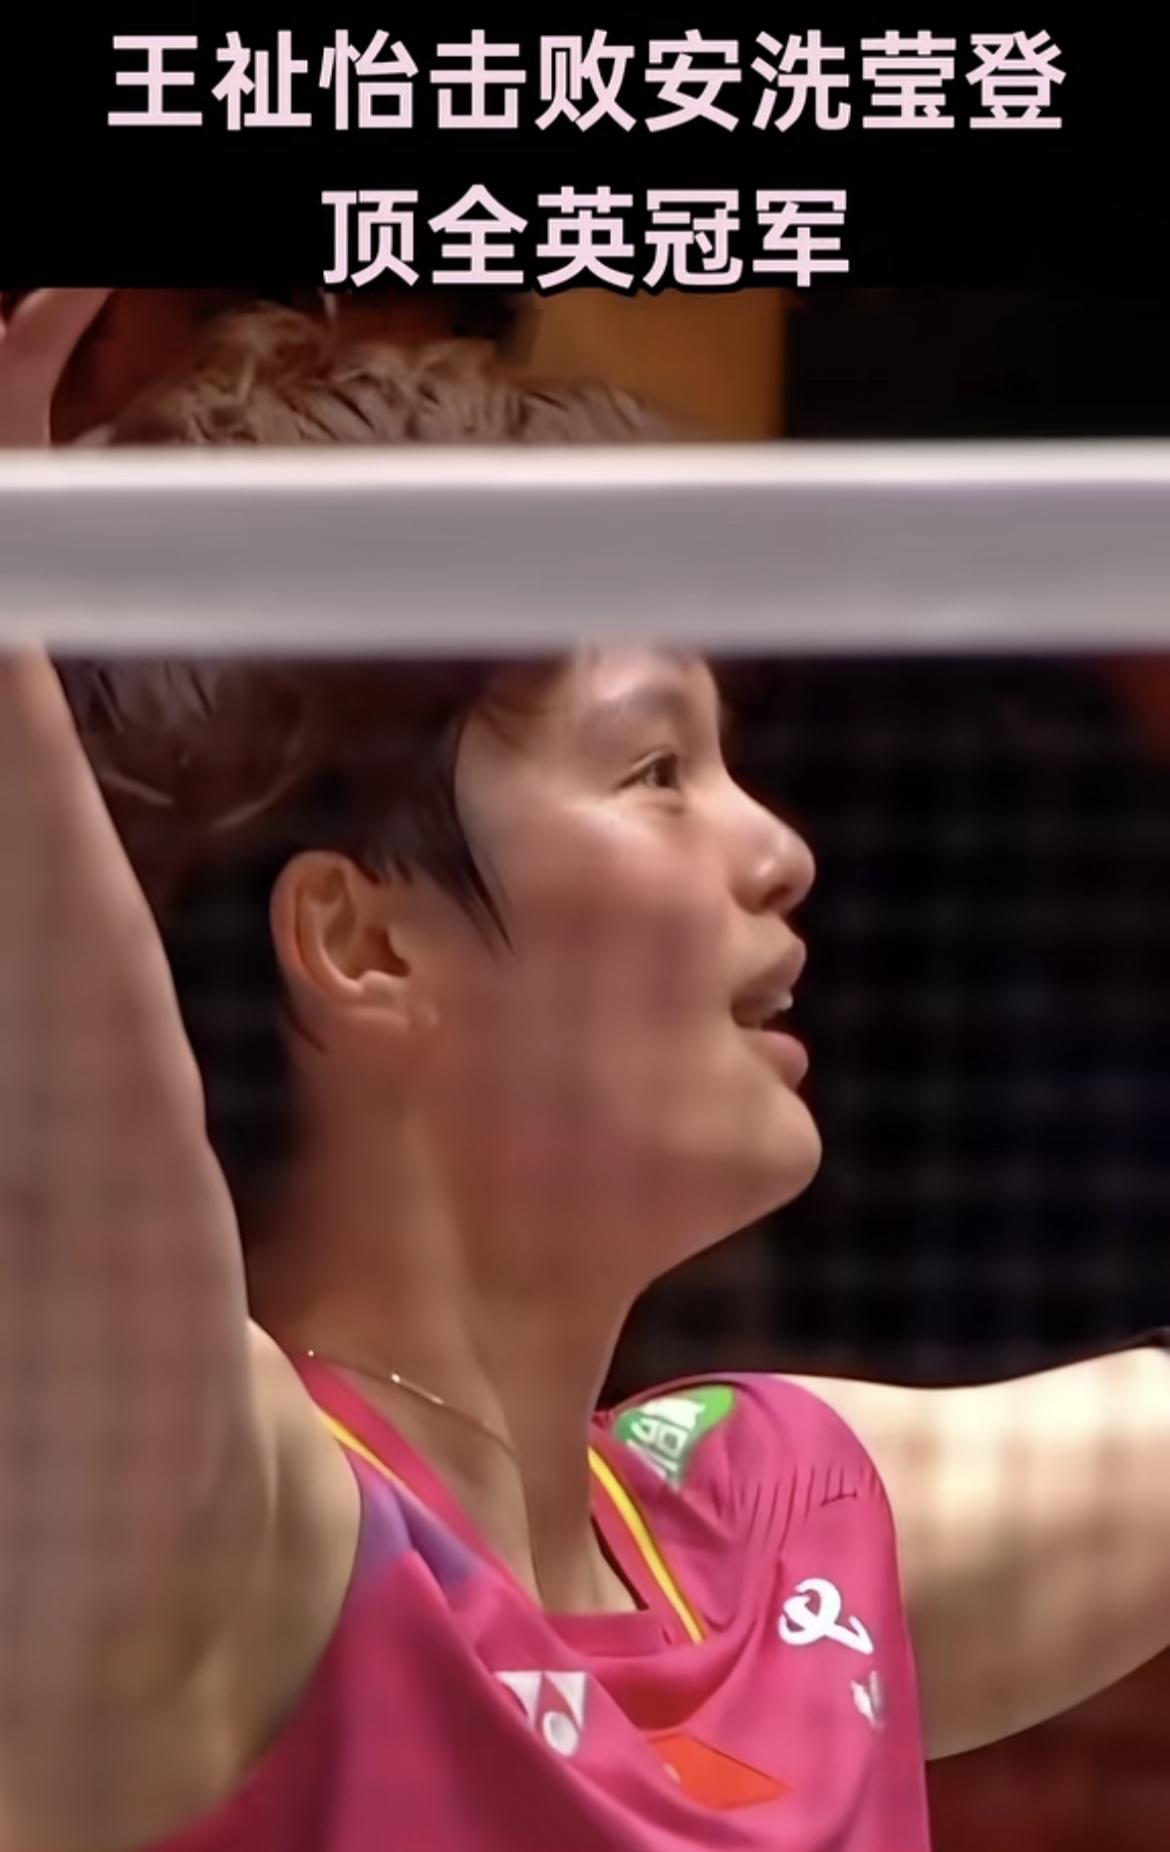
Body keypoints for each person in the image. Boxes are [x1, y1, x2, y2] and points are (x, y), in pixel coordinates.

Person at [1, 289, 1169, 1852]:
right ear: (363, 941)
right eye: (654, 769)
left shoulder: (774, 1523)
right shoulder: (214, 1542)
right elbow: (76, 1158)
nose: (778, 849)